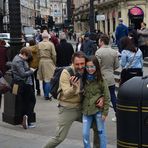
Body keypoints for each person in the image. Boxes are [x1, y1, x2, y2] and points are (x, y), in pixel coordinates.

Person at [43, 51, 102, 148]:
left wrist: (102, 97)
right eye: (77, 64)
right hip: (68, 108)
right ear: (72, 63)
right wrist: (74, 88)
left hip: (83, 107)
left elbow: (99, 86)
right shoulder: (66, 72)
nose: (80, 66)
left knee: (98, 126)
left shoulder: (88, 70)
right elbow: (66, 93)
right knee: (59, 137)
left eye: (82, 64)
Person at [82, 56, 110, 148]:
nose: (90, 69)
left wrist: (105, 113)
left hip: (98, 111)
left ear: (96, 67)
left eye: (92, 66)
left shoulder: (101, 80)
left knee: (101, 133)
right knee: (85, 134)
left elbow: (107, 96)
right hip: (86, 111)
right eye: (87, 67)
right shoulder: (83, 78)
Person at [95, 34, 119, 122]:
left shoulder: (98, 52)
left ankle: (99, 114)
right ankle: (118, 114)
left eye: (99, 41)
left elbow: (96, 65)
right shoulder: (113, 52)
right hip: (110, 76)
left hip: (101, 77)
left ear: (101, 41)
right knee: (112, 96)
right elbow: (117, 65)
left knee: (99, 96)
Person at [11, 47, 36, 129]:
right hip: (23, 84)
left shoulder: (19, 59)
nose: (27, 58)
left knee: (25, 102)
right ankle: (26, 119)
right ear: (24, 54)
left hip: (22, 84)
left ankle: (24, 119)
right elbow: (22, 74)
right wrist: (31, 71)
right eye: (27, 56)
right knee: (29, 101)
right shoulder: (19, 61)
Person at [37, 32, 56, 100]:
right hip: (48, 61)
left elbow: (38, 54)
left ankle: (45, 93)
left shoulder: (39, 44)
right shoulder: (51, 44)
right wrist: (54, 62)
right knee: (48, 79)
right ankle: (47, 95)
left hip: (41, 61)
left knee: (43, 78)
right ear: (48, 37)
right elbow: (54, 55)